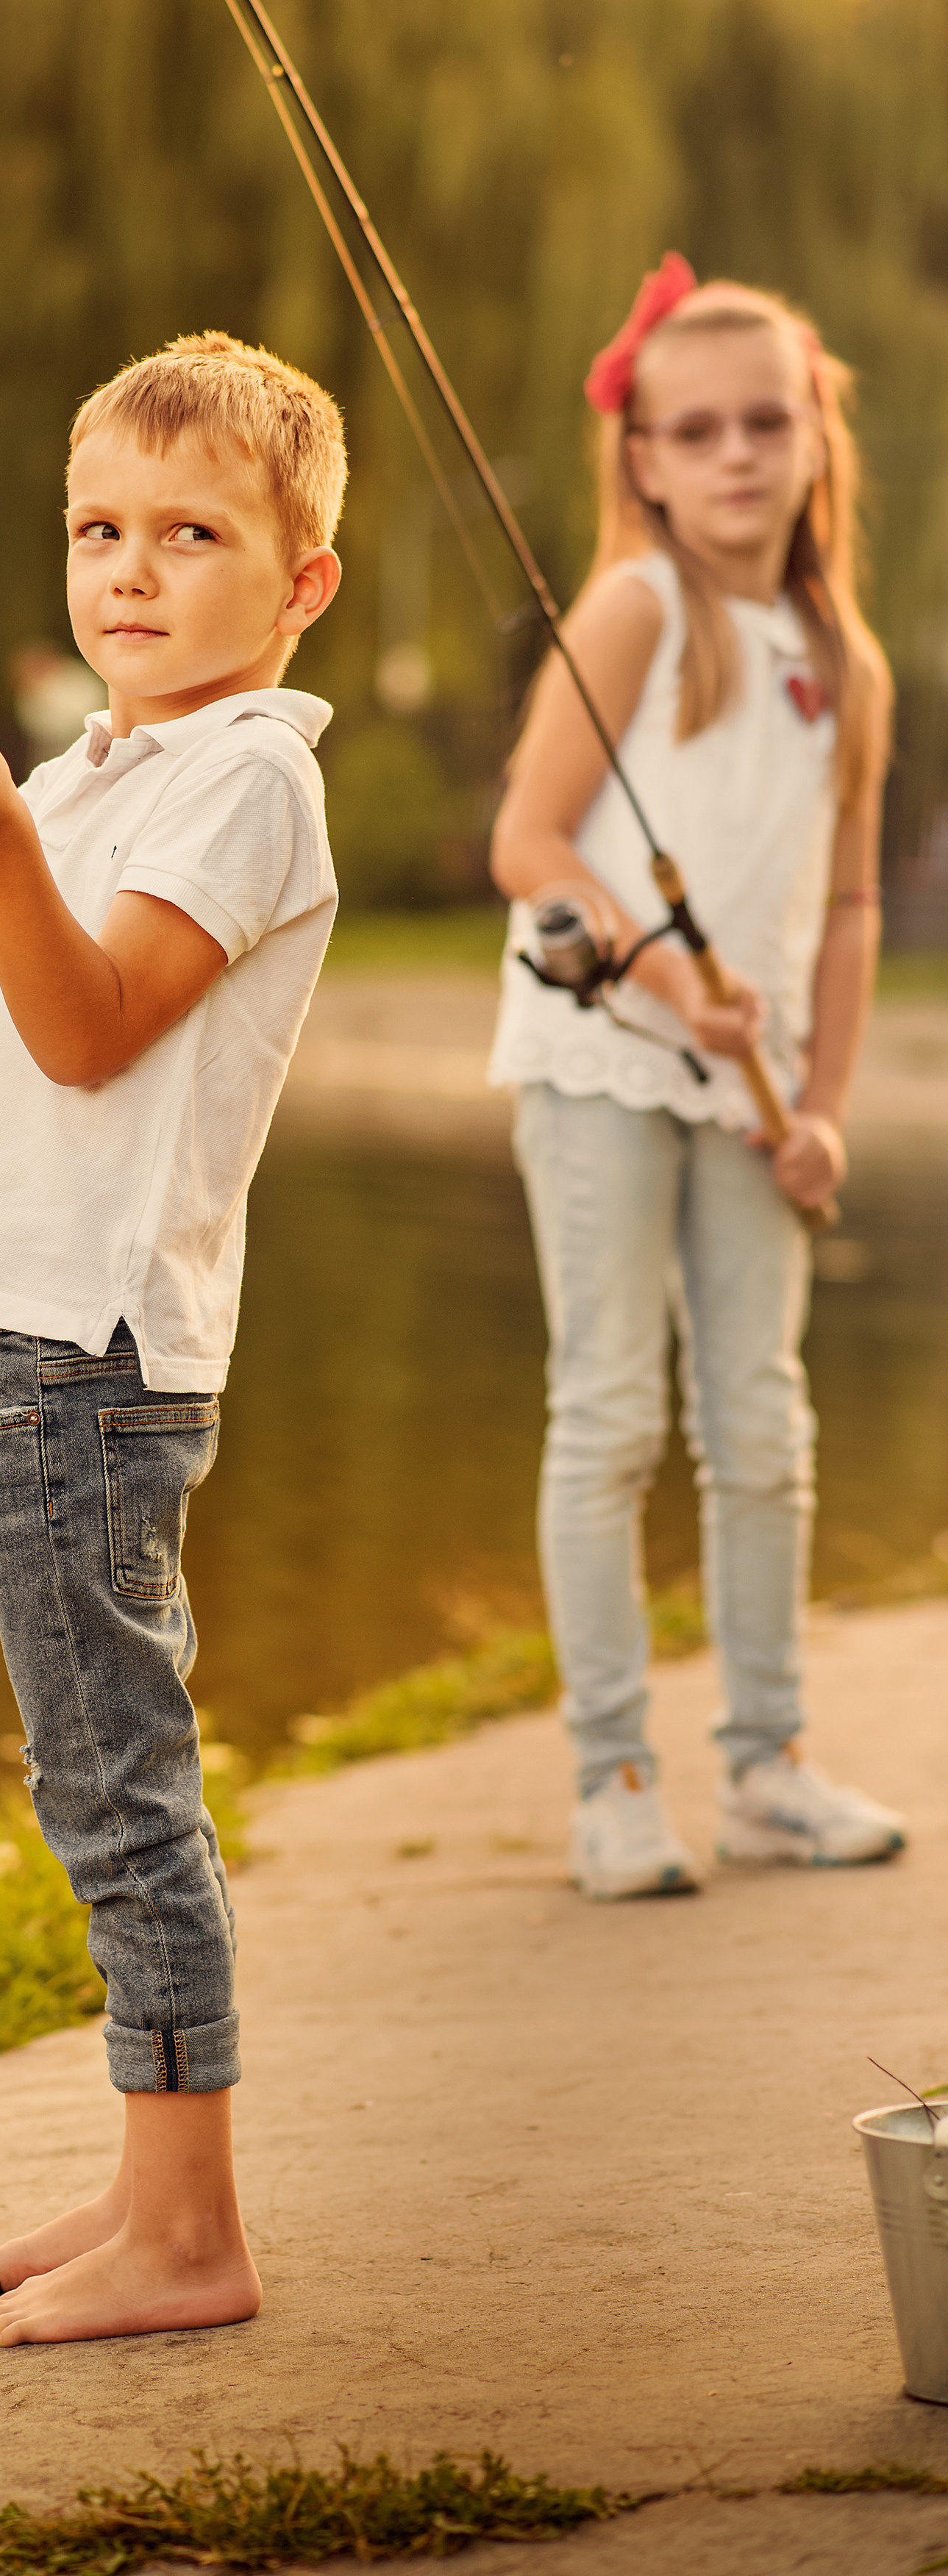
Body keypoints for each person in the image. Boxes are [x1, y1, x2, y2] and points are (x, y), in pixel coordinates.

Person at [0, 332, 345, 2342]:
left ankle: (192, 2237)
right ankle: (151, 2185)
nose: (129, 570)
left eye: (190, 534)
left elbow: (82, 1024)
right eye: (96, 530)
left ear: (303, 580)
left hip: (81, 1360)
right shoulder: (103, 771)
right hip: (8, 1343)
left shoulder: (248, 782)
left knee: (117, 1792)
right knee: (93, 1776)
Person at [488, 257, 905, 1903]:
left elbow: (850, 908)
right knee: (609, 1413)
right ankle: (611, 1778)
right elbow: (528, 843)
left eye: (764, 423)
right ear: (643, 458)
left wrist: (822, 1108)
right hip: (602, 1063)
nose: (735, 454)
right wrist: (668, 978)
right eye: (698, 430)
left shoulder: (843, 658)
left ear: (814, 440)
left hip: (755, 1095)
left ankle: (768, 1766)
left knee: (762, 1425)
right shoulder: (637, 608)